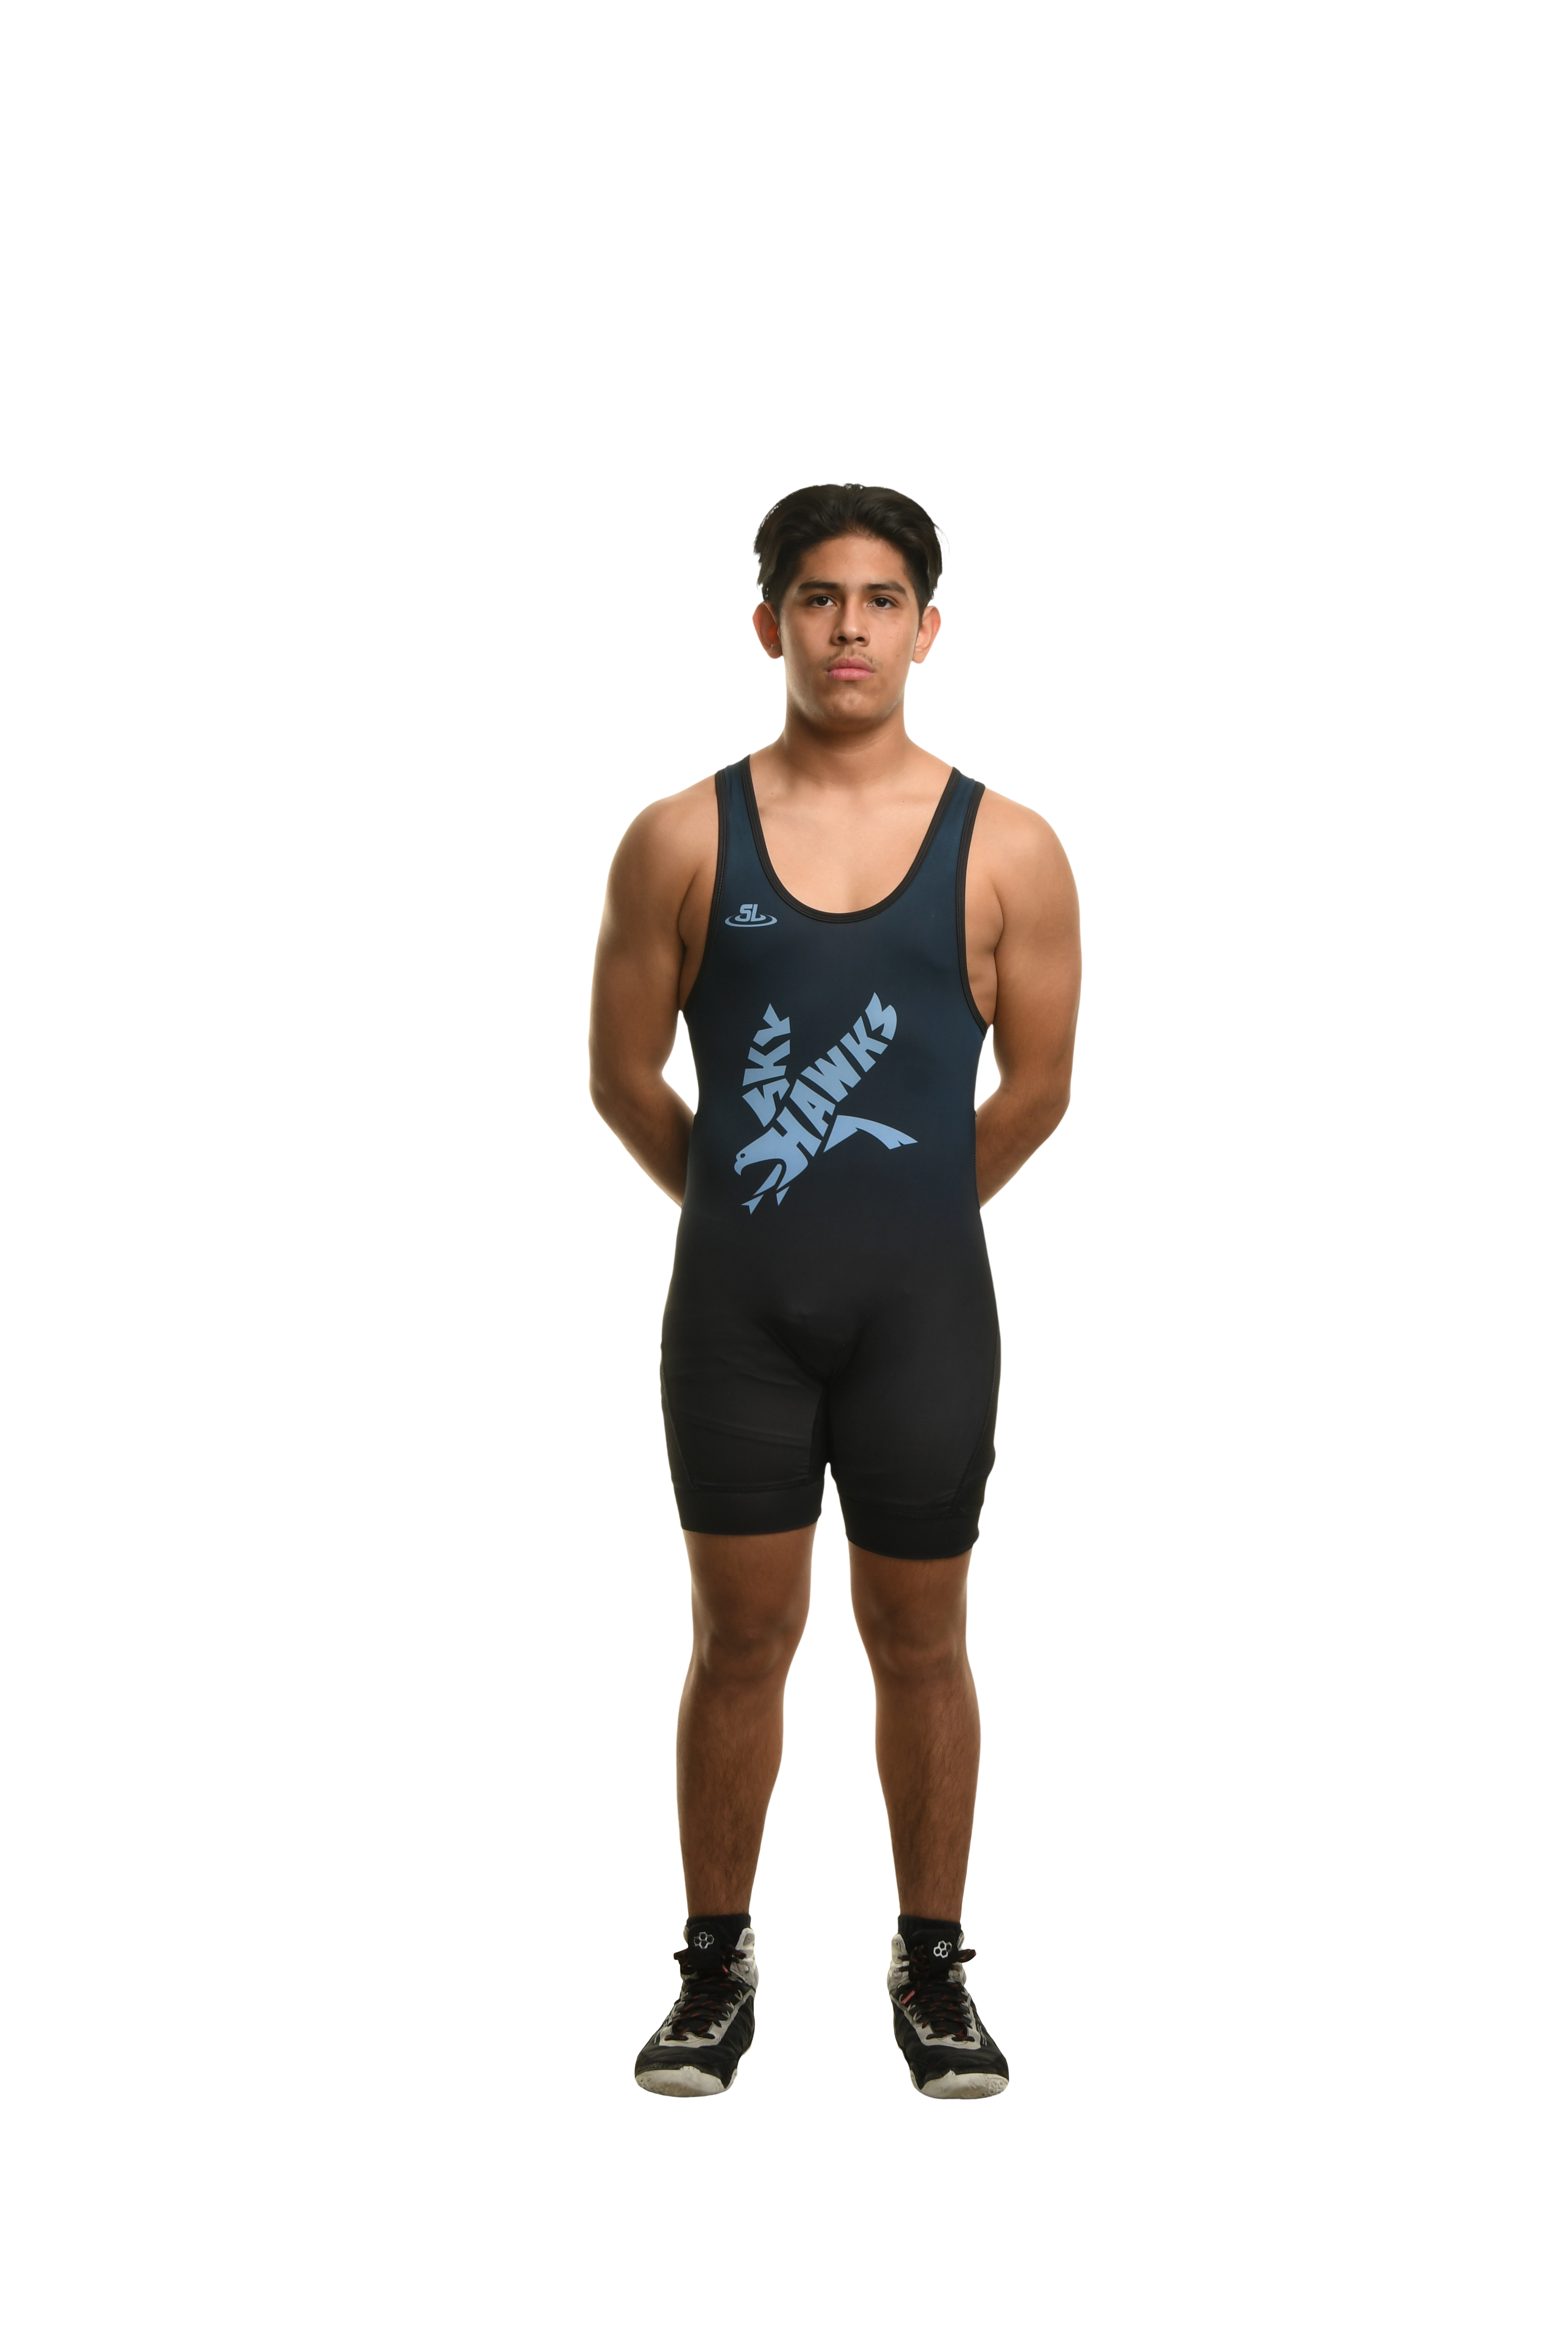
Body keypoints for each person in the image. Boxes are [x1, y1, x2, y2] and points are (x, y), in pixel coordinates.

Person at [589, 484, 1081, 2097]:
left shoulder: (1012, 849)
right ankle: (713, 1977)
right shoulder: (680, 838)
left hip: (925, 1318)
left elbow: (1038, 1088)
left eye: (880, 601)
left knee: (922, 1641)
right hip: (735, 1323)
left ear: (927, 630)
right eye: (818, 599)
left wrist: (903, 1214)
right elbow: (621, 1076)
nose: (849, 628)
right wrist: (756, 1213)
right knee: (740, 1640)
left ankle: (933, 1975)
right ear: (770, 625)